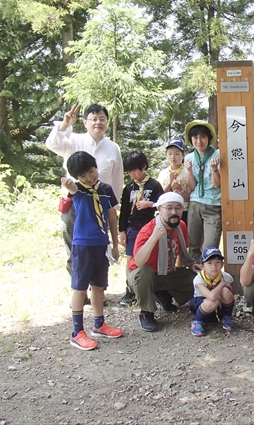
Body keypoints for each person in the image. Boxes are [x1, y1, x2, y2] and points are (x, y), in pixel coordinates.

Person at [46, 104, 124, 276]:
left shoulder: (113, 148)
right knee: (73, 243)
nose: (98, 122)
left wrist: (114, 207)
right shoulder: (73, 140)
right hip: (75, 204)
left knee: (98, 245)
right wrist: (64, 125)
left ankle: (96, 288)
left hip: (100, 205)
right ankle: (77, 288)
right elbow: (52, 144)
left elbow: (117, 179)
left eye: (102, 119)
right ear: (85, 122)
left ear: (107, 122)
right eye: (93, 119)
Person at [60, 151, 122, 350]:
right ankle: (77, 332)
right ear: (77, 178)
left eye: (91, 171)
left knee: (99, 285)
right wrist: (70, 184)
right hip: (83, 245)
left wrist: (114, 245)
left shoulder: (105, 189)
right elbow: (71, 188)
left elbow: (112, 217)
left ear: (96, 167)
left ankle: (99, 324)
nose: (89, 177)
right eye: (83, 175)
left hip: (101, 245)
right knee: (80, 287)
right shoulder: (78, 189)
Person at [127, 192, 201, 332]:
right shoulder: (148, 230)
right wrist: (154, 238)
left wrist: (191, 264)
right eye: (169, 208)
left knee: (197, 279)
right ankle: (146, 312)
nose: (174, 212)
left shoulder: (181, 226)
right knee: (144, 272)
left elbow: (182, 252)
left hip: (166, 273)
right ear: (159, 209)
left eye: (178, 208)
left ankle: (162, 293)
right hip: (141, 276)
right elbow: (139, 262)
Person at [118, 151, 164, 306]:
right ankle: (130, 291)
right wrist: (122, 230)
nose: (133, 174)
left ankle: (152, 289)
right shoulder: (129, 187)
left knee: (150, 257)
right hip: (133, 228)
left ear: (143, 167)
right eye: (130, 171)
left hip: (149, 227)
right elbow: (124, 210)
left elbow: (163, 204)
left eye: (135, 170)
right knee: (131, 258)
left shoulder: (154, 185)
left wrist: (149, 204)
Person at [184, 120, 222, 262]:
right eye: (195, 138)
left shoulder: (218, 155)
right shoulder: (188, 158)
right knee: (193, 246)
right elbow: (191, 186)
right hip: (195, 204)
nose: (199, 141)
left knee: (210, 246)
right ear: (191, 140)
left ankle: (210, 278)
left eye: (202, 137)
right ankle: (195, 279)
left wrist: (214, 169)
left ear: (209, 138)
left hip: (213, 204)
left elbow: (218, 185)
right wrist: (188, 171)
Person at [189, 247, 235, 337]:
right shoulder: (199, 279)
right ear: (202, 266)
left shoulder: (227, 277)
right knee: (213, 300)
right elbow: (212, 297)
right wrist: (222, 284)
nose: (214, 267)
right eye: (209, 263)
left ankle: (227, 317)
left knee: (226, 292)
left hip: (218, 308)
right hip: (202, 306)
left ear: (222, 264)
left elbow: (231, 295)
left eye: (217, 262)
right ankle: (197, 321)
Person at [158, 137, 190, 224]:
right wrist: (170, 182)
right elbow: (160, 195)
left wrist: (180, 189)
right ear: (166, 155)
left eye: (177, 154)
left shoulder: (188, 172)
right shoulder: (163, 173)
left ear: (183, 155)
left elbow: (190, 197)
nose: (173, 157)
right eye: (170, 154)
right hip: (167, 212)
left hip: (184, 211)